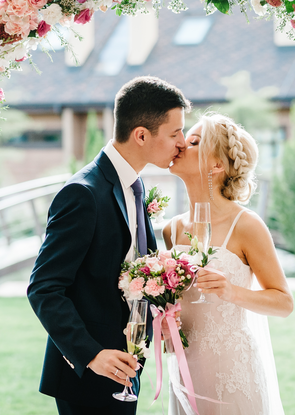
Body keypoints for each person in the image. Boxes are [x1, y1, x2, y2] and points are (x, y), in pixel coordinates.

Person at [27, 76, 191, 415]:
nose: (182, 142)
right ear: (142, 135)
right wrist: (91, 354)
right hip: (87, 375)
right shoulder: (83, 194)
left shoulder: (134, 185)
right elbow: (44, 288)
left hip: (125, 367)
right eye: (175, 133)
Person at [162, 113, 294, 415]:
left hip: (233, 371)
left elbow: (284, 302)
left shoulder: (247, 225)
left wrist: (231, 291)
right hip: (184, 370)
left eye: (194, 142)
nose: (181, 144)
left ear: (217, 165)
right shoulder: (172, 229)